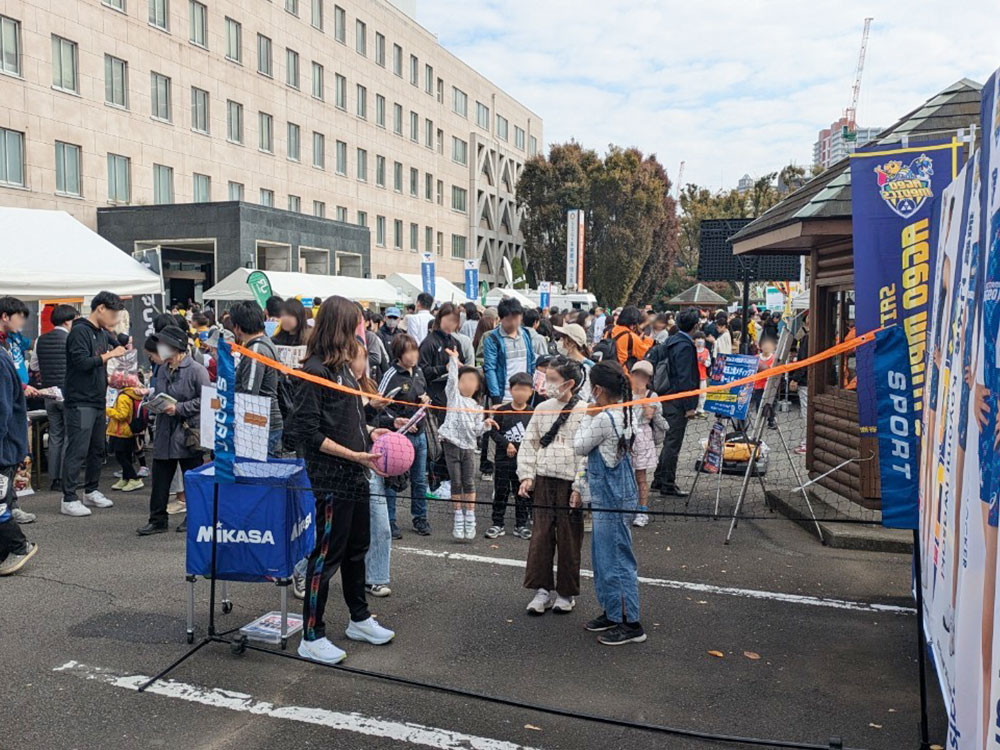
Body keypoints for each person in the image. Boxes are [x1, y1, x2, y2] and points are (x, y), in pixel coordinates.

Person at [286, 296, 395, 665]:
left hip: (356, 474)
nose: (359, 333)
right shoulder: (315, 370)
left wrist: (369, 430)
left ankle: (359, 618)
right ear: (339, 327)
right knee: (326, 556)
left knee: (356, 549)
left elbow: (342, 421)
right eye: (355, 326)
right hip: (331, 479)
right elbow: (305, 431)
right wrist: (354, 454)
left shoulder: (344, 368)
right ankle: (312, 635)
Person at [576, 360, 646, 646]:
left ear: (597, 388)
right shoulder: (625, 410)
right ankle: (613, 612)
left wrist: (587, 416)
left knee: (616, 560)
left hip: (613, 497)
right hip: (614, 493)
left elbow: (578, 445)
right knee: (604, 557)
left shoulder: (604, 417)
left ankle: (631, 623)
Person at [518, 357, 586, 615]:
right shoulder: (542, 408)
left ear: (569, 383)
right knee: (541, 537)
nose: (547, 384)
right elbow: (529, 443)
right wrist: (527, 475)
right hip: (545, 480)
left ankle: (566, 593)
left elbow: (587, 454)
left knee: (569, 540)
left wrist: (580, 486)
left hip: (570, 482)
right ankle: (542, 590)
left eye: (553, 379)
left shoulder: (585, 410)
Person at [137, 325, 209, 535]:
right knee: (160, 478)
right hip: (164, 431)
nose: (160, 349)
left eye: (163, 344)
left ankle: (194, 517)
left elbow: (207, 400)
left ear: (175, 347)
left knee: (192, 477)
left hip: (188, 433)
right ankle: (157, 519)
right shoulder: (162, 369)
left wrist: (178, 408)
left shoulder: (196, 370)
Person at [62, 291, 128, 517]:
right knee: (78, 449)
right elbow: (81, 363)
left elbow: (121, 344)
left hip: (98, 399)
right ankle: (68, 497)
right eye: (113, 314)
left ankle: (91, 490)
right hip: (80, 401)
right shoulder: (79, 331)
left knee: (98, 449)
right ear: (100, 308)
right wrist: (110, 355)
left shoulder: (102, 333)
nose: (116, 319)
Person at [375, 334, 431, 538]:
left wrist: (425, 400)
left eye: (415, 350)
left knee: (419, 480)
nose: (413, 355)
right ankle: (390, 520)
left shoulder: (419, 372)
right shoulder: (391, 374)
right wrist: (395, 420)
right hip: (398, 438)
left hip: (420, 434)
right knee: (392, 480)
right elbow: (379, 407)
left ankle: (420, 518)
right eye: (408, 351)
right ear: (399, 354)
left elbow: (423, 396)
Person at [438, 348, 496, 540]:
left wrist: (486, 425)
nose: (468, 383)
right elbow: (452, 380)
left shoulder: (478, 407)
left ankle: (470, 517)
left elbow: (477, 431)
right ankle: (458, 517)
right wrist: (454, 360)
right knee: (456, 481)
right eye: (465, 380)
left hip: (469, 447)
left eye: (472, 380)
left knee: (469, 482)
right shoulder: (454, 397)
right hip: (451, 445)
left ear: (479, 385)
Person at [646, 308, 700, 497]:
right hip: (678, 399)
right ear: (696, 326)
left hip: (665, 395)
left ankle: (659, 479)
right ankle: (667, 483)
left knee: (669, 440)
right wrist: (690, 406)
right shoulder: (685, 345)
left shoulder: (670, 340)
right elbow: (685, 377)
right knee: (673, 443)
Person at [0, 309, 37, 576]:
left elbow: (2, 410)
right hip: (7, 443)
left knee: (0, 503)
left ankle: (19, 546)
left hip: (3, 446)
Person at [230, 301, 284, 457]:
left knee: (258, 475)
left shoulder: (255, 350)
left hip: (261, 424)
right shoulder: (266, 343)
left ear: (238, 327)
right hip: (263, 422)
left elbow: (249, 393)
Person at [32, 304, 76, 492]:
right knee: (68, 436)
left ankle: (54, 479)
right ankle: (66, 478)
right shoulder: (71, 339)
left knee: (55, 437)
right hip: (68, 394)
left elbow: (34, 366)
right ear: (67, 321)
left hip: (48, 394)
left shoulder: (40, 340)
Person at [485, 372, 535, 540]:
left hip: (523, 463)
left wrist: (522, 449)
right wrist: (506, 444)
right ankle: (497, 523)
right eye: (517, 389)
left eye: (525, 389)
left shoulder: (533, 413)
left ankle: (521, 525)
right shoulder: (503, 411)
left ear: (531, 392)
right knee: (501, 492)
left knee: (522, 493)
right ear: (511, 390)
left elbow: (535, 437)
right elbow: (493, 431)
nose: (520, 393)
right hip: (503, 460)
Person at [628, 360, 666, 527]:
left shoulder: (652, 396)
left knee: (641, 476)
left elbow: (649, 415)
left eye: (644, 376)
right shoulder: (625, 393)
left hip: (642, 436)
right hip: (625, 435)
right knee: (624, 474)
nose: (639, 378)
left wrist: (642, 397)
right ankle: (626, 508)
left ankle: (642, 511)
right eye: (637, 374)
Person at [482, 297, 536, 405]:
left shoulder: (525, 334)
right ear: (501, 319)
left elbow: (532, 362)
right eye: (510, 319)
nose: (514, 322)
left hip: (525, 395)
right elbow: (490, 369)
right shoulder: (492, 339)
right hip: (504, 396)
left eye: (517, 318)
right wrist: (496, 397)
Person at [105, 371, 147, 492]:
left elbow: (122, 415)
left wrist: (108, 410)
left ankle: (134, 478)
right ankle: (126, 478)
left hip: (120, 431)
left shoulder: (123, 396)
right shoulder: (132, 394)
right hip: (128, 431)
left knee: (121, 456)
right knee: (126, 455)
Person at [552, 322, 595, 402]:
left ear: (571, 343)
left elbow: (583, 396)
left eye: (562, 339)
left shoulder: (586, 367)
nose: (559, 342)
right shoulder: (563, 361)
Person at [751, 337, 778, 429]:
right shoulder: (756, 358)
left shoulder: (775, 359)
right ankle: (759, 420)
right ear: (760, 346)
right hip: (758, 384)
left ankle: (771, 420)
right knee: (759, 403)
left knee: (771, 403)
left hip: (770, 384)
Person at [793, 315, 809, 454]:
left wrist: (795, 378)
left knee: (806, 413)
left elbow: (803, 360)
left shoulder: (807, 338)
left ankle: (806, 443)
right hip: (816, 379)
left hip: (806, 381)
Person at [694, 332, 711, 415]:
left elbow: (708, 363)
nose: (700, 341)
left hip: (703, 375)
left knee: (703, 393)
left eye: (702, 339)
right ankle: (693, 408)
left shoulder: (706, 351)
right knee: (693, 393)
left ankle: (700, 408)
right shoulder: (692, 350)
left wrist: (704, 362)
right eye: (698, 339)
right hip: (693, 376)